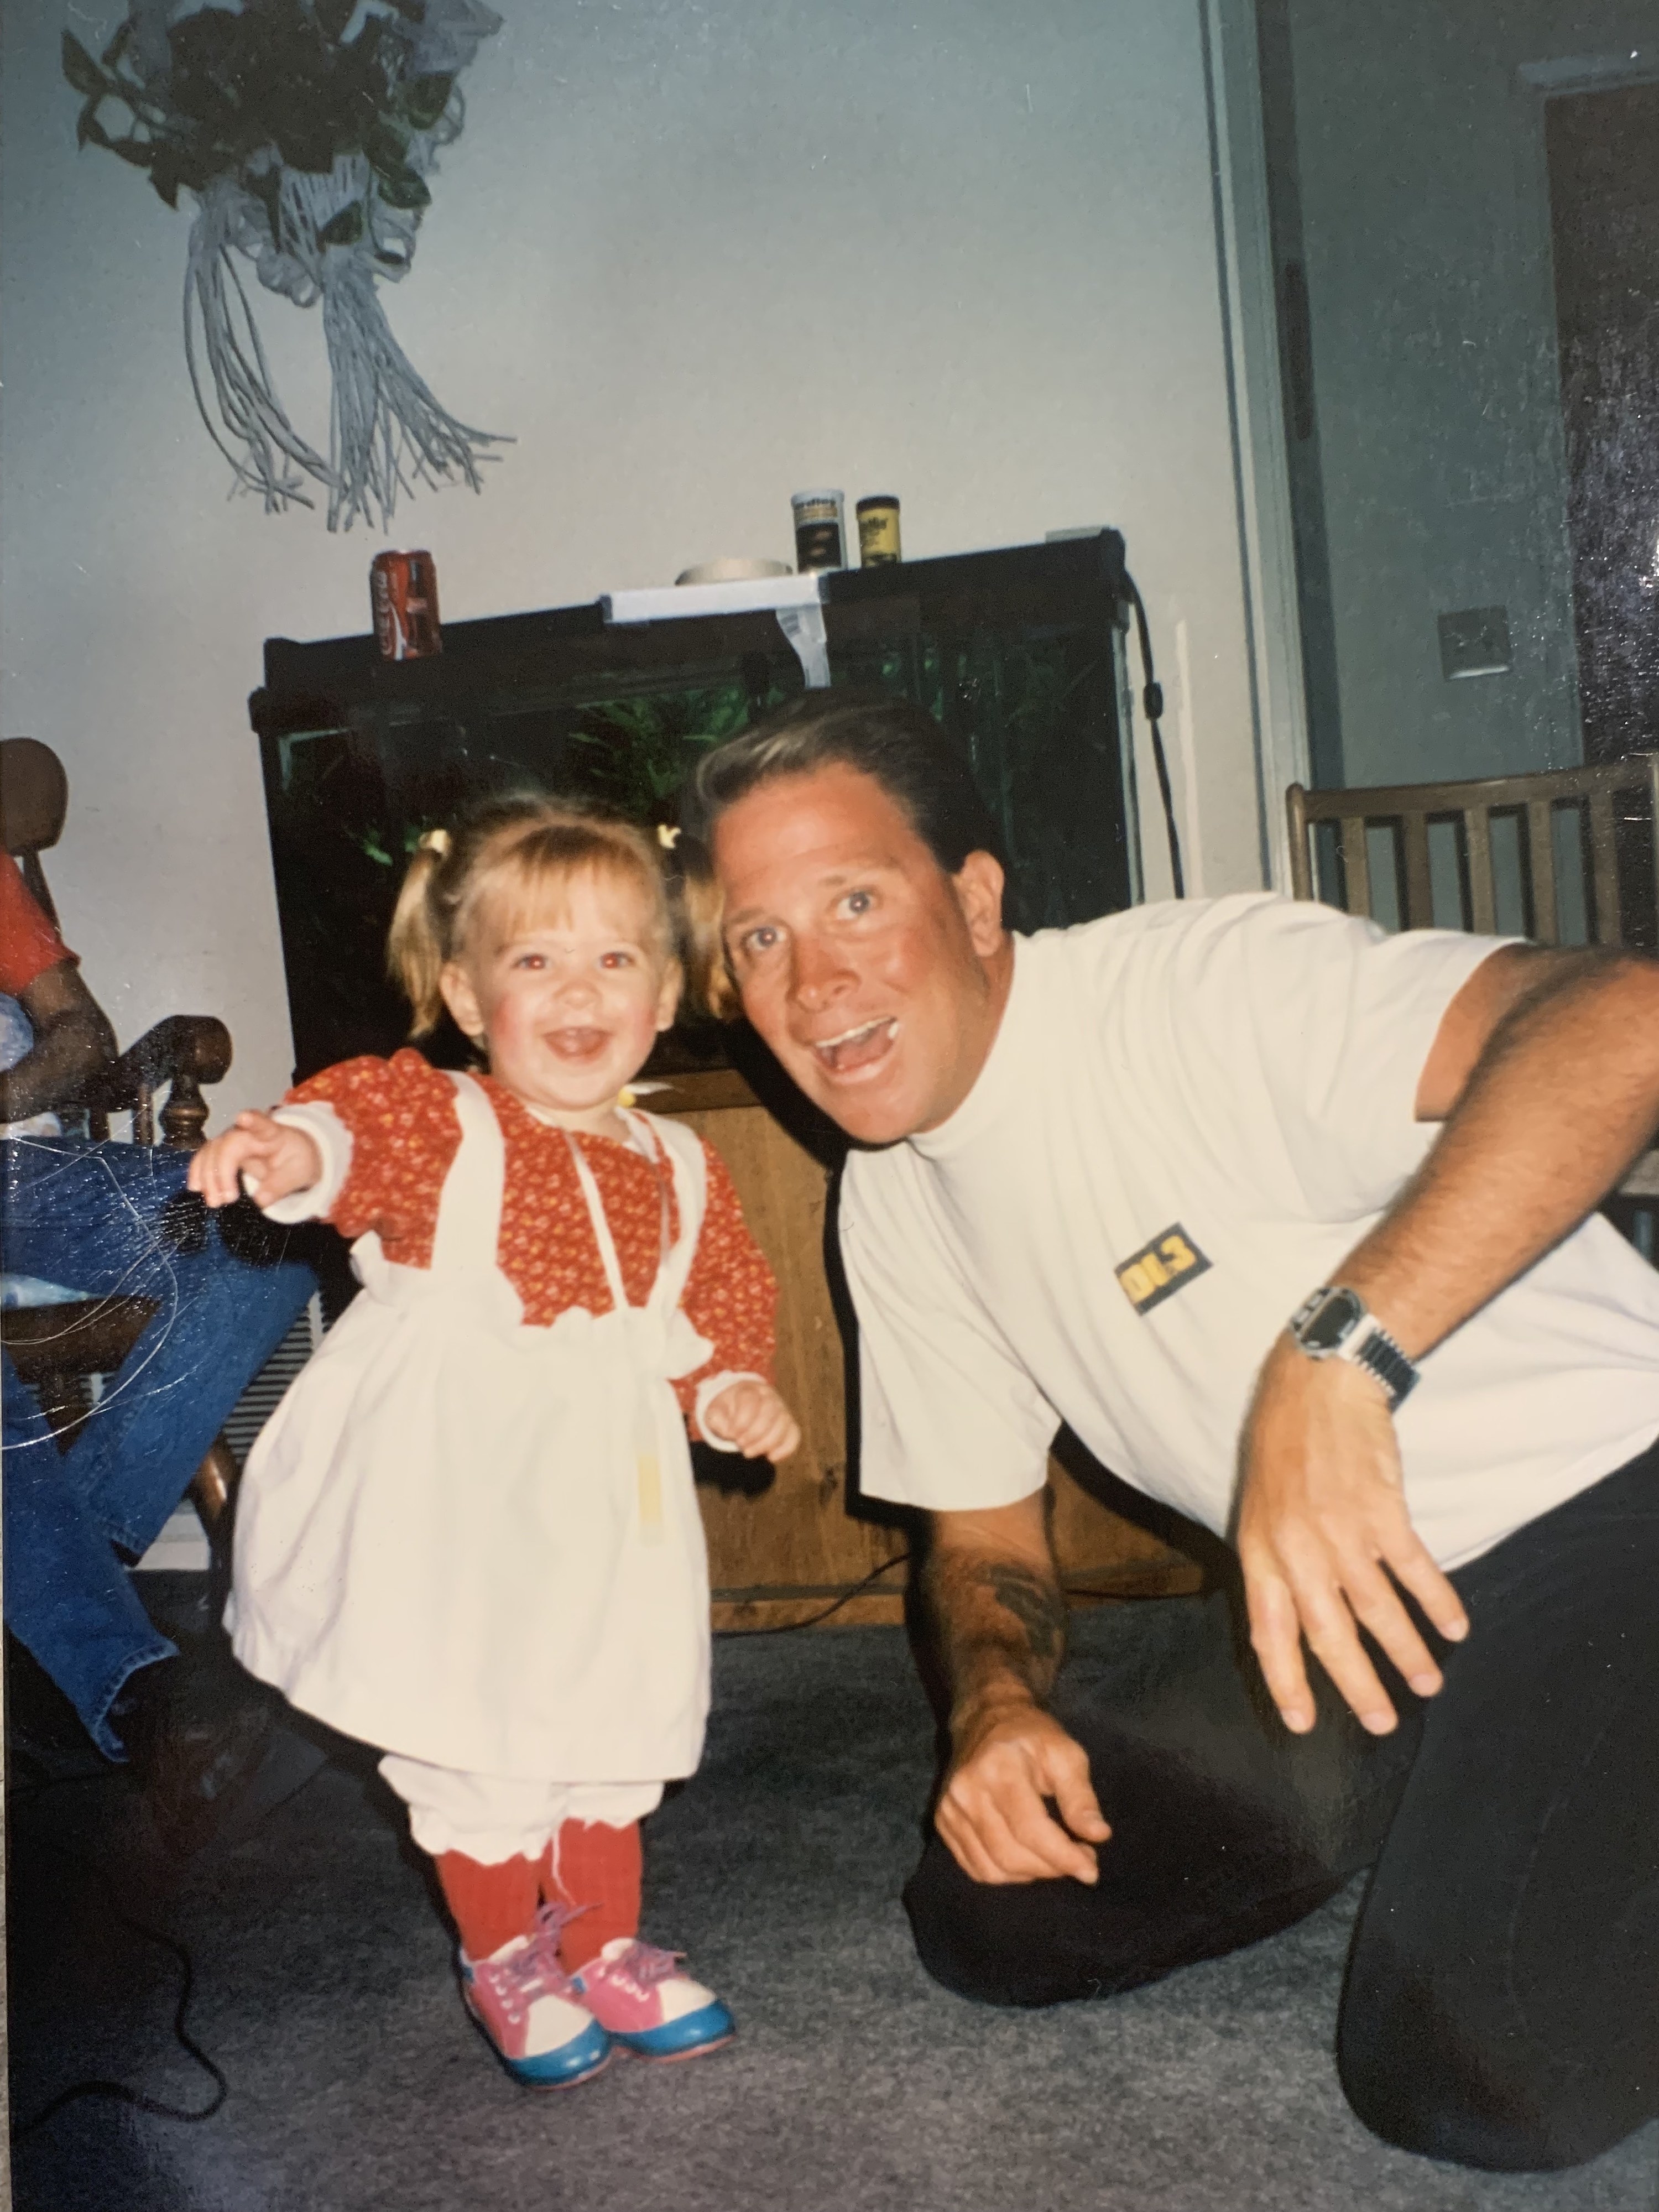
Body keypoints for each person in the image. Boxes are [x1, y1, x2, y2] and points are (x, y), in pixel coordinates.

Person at [686, 691, 1659, 2175]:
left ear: (977, 898)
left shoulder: (1199, 990)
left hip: (1614, 1505)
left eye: (857, 902)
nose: (813, 982)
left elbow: (1625, 1013)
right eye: (760, 938)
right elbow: (984, 1541)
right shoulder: (890, 1196)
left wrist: (1334, 1362)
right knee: (996, 1914)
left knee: (1472, 2079)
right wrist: (996, 1710)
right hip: (1349, 1600)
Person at [189, 796, 801, 2089]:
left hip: (612, 1510)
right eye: (536, 961)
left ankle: (604, 1941)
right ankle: (503, 1955)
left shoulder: (683, 1160)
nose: (579, 990)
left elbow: (710, 1308)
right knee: (480, 1737)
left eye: (615, 959)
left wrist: (730, 1383)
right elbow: (353, 1135)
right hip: (452, 1502)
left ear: (668, 987)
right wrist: (290, 1143)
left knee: (611, 1722)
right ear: (469, 995)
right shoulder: (445, 1124)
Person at [0, 847, 316, 1775]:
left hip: (27, 1176)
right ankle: (106, 1670)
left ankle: (65, 1570)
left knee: (278, 1233)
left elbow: (83, 1039)